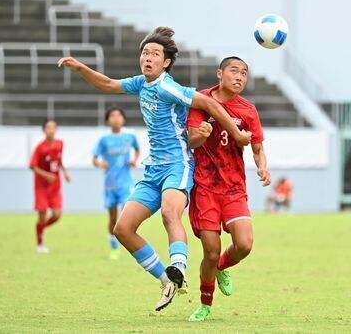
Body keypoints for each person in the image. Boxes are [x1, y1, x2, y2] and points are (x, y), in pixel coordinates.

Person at [57, 27, 251, 311]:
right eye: (145, 53)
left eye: (155, 54)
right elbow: (108, 84)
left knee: (170, 211)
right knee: (122, 229)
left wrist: (235, 133)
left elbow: (208, 102)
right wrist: (79, 67)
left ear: (166, 62)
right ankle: (167, 280)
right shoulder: (140, 83)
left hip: (178, 164)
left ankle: (179, 266)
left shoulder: (168, 87)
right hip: (152, 171)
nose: (148, 58)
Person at [186, 56, 271, 321]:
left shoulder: (248, 110)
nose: (240, 77)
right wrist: (201, 133)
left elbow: (257, 147)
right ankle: (205, 304)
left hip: (234, 188)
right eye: (234, 71)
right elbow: (191, 141)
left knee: (244, 244)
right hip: (205, 187)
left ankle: (223, 267)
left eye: (244, 73)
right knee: (210, 251)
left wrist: (262, 166)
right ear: (219, 74)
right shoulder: (202, 100)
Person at [93, 107, 140, 260]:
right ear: (108, 120)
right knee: (112, 218)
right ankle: (113, 246)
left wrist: (134, 160)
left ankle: (128, 243)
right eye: (112, 116)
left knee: (125, 215)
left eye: (119, 115)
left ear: (123, 119)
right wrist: (100, 164)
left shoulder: (130, 136)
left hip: (126, 182)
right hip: (110, 184)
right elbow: (94, 158)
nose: (116, 118)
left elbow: (137, 150)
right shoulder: (104, 140)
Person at [30, 119, 71, 253]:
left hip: (55, 186)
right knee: (42, 214)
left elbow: (58, 160)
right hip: (41, 186)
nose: (51, 130)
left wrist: (65, 172)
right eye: (48, 127)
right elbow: (32, 166)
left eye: (53, 127)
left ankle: (40, 228)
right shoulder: (40, 147)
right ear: (44, 130)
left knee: (57, 215)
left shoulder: (60, 144)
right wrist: (46, 175)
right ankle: (40, 244)